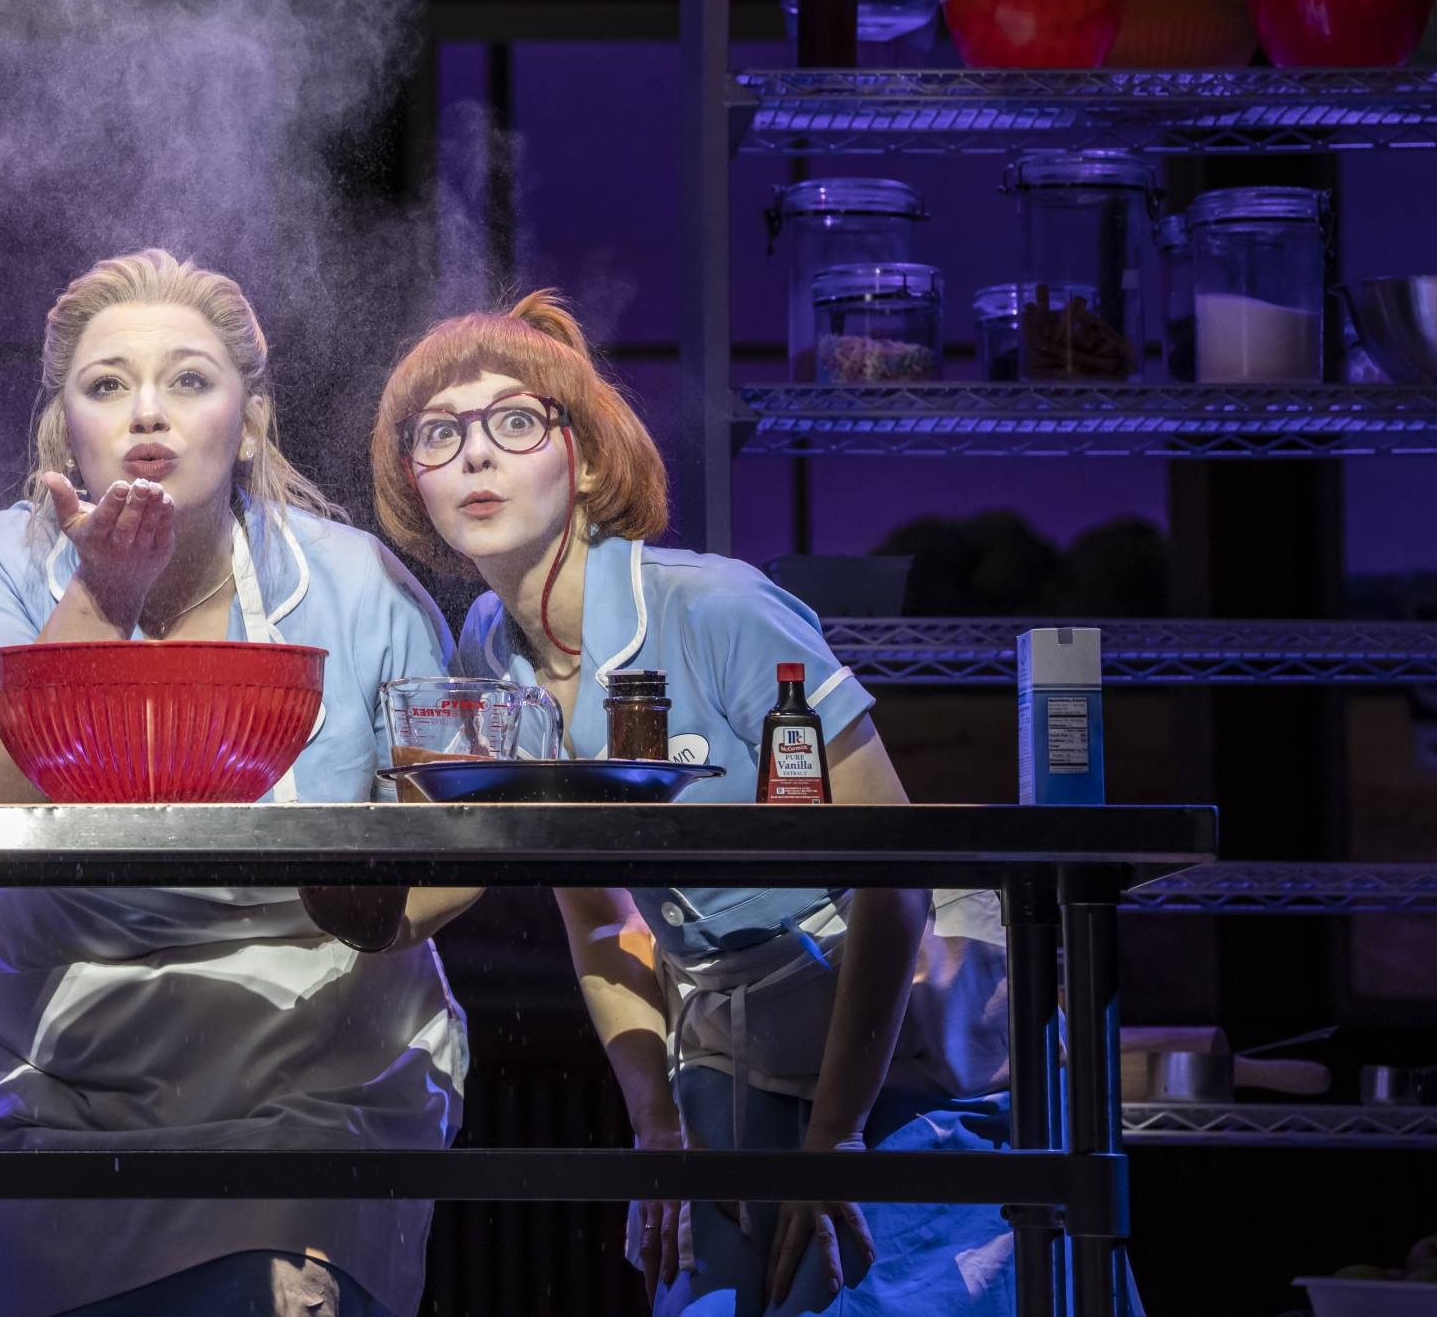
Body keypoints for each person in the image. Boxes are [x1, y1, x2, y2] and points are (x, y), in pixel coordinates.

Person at [371, 291, 1023, 1317]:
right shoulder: (489, 650)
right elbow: (599, 917)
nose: (475, 454)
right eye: (438, 434)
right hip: (728, 1040)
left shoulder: (716, 606)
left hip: (898, 1030)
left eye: (515, 421)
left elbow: (892, 875)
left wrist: (836, 1138)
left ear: (585, 460)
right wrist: (656, 1121)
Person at [0, 248, 474, 1317]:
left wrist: (379, 916)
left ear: (250, 421)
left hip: (318, 1072)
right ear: (63, 430)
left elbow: (455, 819)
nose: (147, 412)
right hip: (57, 1070)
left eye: (187, 379)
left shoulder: (358, 583)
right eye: (106, 384)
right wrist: (99, 596)